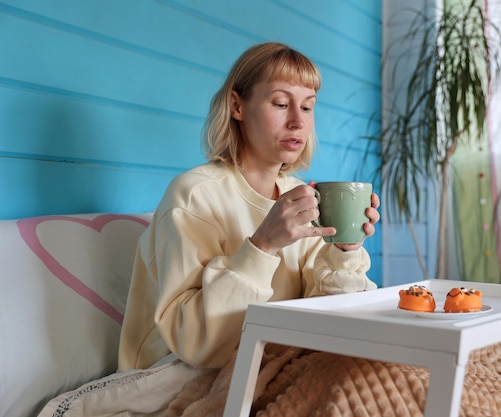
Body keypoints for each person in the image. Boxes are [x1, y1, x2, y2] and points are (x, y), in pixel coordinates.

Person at [117, 42, 380, 372]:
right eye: (282, 103)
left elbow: (330, 317)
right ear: (237, 106)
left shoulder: (299, 195)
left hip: (273, 365)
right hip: (176, 378)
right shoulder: (194, 196)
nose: (298, 121)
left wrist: (344, 250)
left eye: (308, 107)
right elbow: (195, 345)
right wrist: (263, 245)